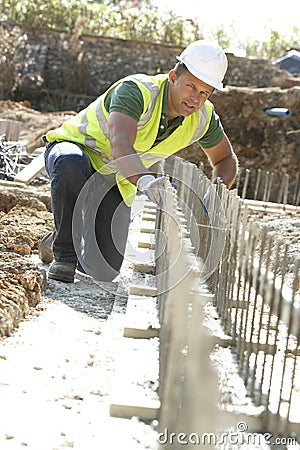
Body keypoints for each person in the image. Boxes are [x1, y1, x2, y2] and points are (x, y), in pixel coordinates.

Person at [39, 40, 238, 283]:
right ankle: (64, 254)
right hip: (77, 150)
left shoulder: (204, 118)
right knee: (71, 164)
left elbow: (225, 159)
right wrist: (146, 181)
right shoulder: (137, 91)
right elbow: (120, 142)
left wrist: (212, 193)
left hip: (116, 177)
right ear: (173, 76)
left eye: (204, 92)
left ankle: (60, 237)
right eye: (190, 86)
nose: (195, 98)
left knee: (104, 271)